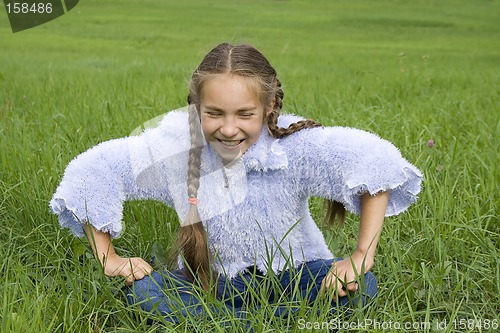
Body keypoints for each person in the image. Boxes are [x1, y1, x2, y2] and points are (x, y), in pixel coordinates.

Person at [50, 43, 422, 324]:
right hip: (204, 282)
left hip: (292, 277)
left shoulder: (293, 146)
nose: (229, 129)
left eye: (245, 114)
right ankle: (273, 324)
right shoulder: (174, 149)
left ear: (270, 105)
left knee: (361, 288)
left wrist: (361, 257)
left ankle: (224, 325)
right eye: (214, 114)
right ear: (196, 108)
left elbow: (378, 162)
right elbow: (92, 170)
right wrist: (109, 259)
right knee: (145, 293)